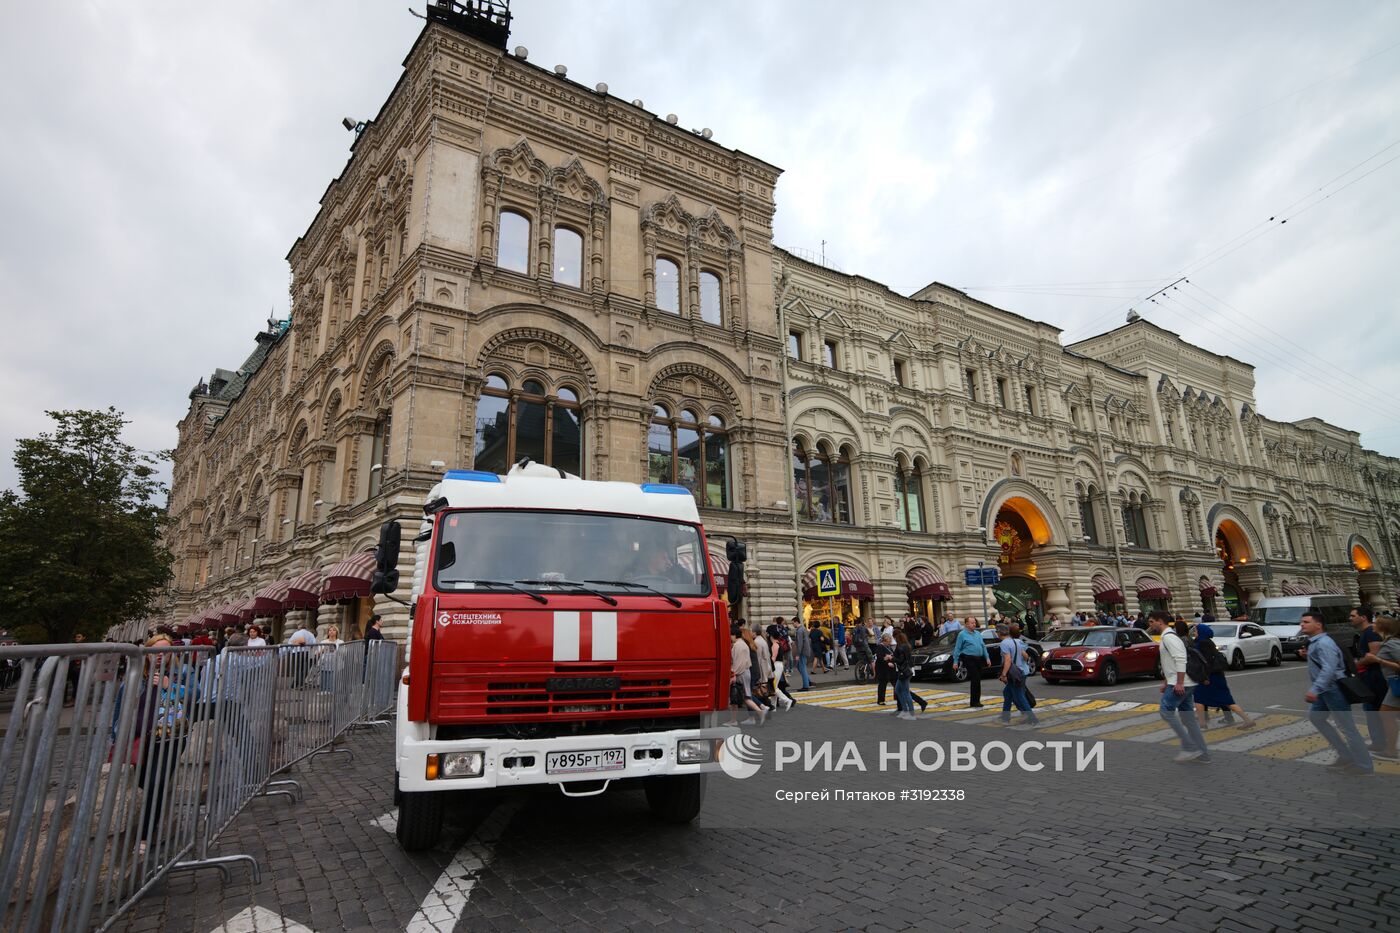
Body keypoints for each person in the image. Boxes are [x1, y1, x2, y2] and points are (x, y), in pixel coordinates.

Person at [1299, 609, 1372, 774]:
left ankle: (1364, 765)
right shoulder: (1316, 642)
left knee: (1347, 728)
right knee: (1316, 718)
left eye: (1306, 622)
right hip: (1325, 690)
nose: (1302, 624)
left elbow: (1329, 669)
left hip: (1332, 689)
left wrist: (1315, 689)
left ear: (1318, 625)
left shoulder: (1324, 643)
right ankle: (1345, 755)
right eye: (1302, 622)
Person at [1147, 610, 1210, 763]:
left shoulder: (1169, 638)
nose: (1150, 625)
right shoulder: (1168, 637)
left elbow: (1181, 660)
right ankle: (1203, 754)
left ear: (1159, 621)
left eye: (1151, 622)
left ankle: (1190, 747)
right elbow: (1170, 664)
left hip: (1181, 684)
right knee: (1188, 719)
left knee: (1166, 712)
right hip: (1181, 682)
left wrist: (1179, 683)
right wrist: (1166, 682)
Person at [1192, 622, 1256, 730]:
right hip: (1215, 676)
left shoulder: (1202, 643)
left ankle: (1203, 724)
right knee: (1219, 699)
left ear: (1201, 632)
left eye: (1196, 631)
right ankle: (1247, 720)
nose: (1194, 633)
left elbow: (1206, 662)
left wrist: (1205, 677)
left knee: (1201, 698)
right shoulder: (1206, 642)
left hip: (1210, 677)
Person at [1349, 606, 1388, 754]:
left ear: (1363, 617)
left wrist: (1357, 664)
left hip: (1375, 677)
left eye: (1353, 616)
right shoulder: (1367, 632)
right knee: (1372, 710)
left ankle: (1381, 742)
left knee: (1374, 710)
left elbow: (1375, 655)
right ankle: (1379, 741)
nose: (1350, 618)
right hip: (1370, 676)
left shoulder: (1371, 632)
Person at [1365, 614, 1400, 760]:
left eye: (1376, 622)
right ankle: (1390, 749)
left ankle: (1391, 751)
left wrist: (1377, 659)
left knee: (1386, 714)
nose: (1373, 624)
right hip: (1393, 684)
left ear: (1382, 627)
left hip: (1397, 684)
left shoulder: (1391, 643)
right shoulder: (1389, 641)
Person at [996, 623, 1039, 726]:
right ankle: (1005, 717)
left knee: (1020, 696)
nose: (996, 634)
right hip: (1019, 672)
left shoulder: (1004, 643)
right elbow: (1025, 656)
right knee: (1007, 693)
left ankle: (1032, 718)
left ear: (1000, 632)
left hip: (1013, 674)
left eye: (996, 631)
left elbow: (1007, 660)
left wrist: (1004, 674)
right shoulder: (1015, 642)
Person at [728, 624, 766, 726]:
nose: (730, 637)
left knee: (745, 697)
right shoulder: (743, 644)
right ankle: (734, 720)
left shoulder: (738, 645)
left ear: (734, 635)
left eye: (730, 635)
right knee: (741, 697)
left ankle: (759, 711)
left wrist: (733, 674)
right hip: (746, 672)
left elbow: (738, 663)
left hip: (741, 674)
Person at [951, 617, 989, 708]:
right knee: (975, 678)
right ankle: (974, 702)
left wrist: (987, 658)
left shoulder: (978, 633)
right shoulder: (962, 634)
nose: (974, 624)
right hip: (968, 658)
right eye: (972, 623)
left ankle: (976, 701)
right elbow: (957, 648)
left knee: (977, 679)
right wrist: (955, 662)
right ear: (967, 624)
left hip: (978, 658)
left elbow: (983, 646)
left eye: (975, 623)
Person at [892, 631, 927, 719]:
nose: (894, 640)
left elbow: (900, 660)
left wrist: (891, 658)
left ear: (898, 638)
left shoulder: (901, 647)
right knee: (898, 690)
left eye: (895, 638)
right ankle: (905, 710)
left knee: (905, 692)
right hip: (906, 670)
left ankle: (911, 714)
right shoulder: (906, 646)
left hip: (904, 671)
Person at [762, 620, 795, 710]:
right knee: (774, 687)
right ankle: (774, 707)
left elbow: (773, 657)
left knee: (774, 687)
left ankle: (787, 700)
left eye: (768, 633)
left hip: (776, 665)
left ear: (771, 635)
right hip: (778, 665)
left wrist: (768, 668)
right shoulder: (778, 643)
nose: (767, 635)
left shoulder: (775, 645)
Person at [791, 617, 812, 690]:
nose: (792, 624)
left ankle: (806, 686)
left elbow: (800, 644)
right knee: (800, 667)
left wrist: (797, 654)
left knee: (802, 667)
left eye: (793, 623)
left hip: (802, 652)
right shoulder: (803, 628)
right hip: (804, 650)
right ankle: (808, 681)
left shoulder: (799, 631)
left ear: (796, 622)